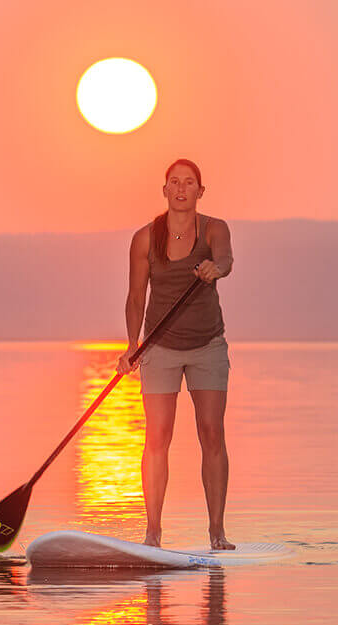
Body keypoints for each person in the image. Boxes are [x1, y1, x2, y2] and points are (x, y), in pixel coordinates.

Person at [116, 158, 235, 550]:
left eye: (189, 183)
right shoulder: (146, 238)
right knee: (158, 435)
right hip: (160, 345)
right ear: (164, 189)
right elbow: (136, 297)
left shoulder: (214, 228)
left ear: (200, 192)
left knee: (211, 431)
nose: (181, 189)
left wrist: (215, 269)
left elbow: (226, 260)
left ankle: (216, 533)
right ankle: (153, 533)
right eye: (174, 182)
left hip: (207, 344)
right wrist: (132, 345)